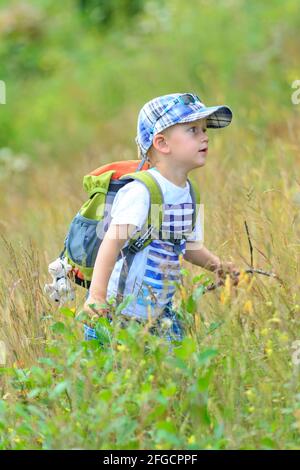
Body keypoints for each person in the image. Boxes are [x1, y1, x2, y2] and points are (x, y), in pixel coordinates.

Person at [81, 92, 239, 344]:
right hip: (118, 312)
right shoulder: (142, 191)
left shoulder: (189, 193)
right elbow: (111, 243)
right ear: (162, 143)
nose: (205, 136)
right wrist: (97, 296)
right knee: (114, 377)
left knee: (172, 376)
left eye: (204, 129)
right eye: (193, 130)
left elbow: (189, 247)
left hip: (161, 313)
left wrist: (218, 266)